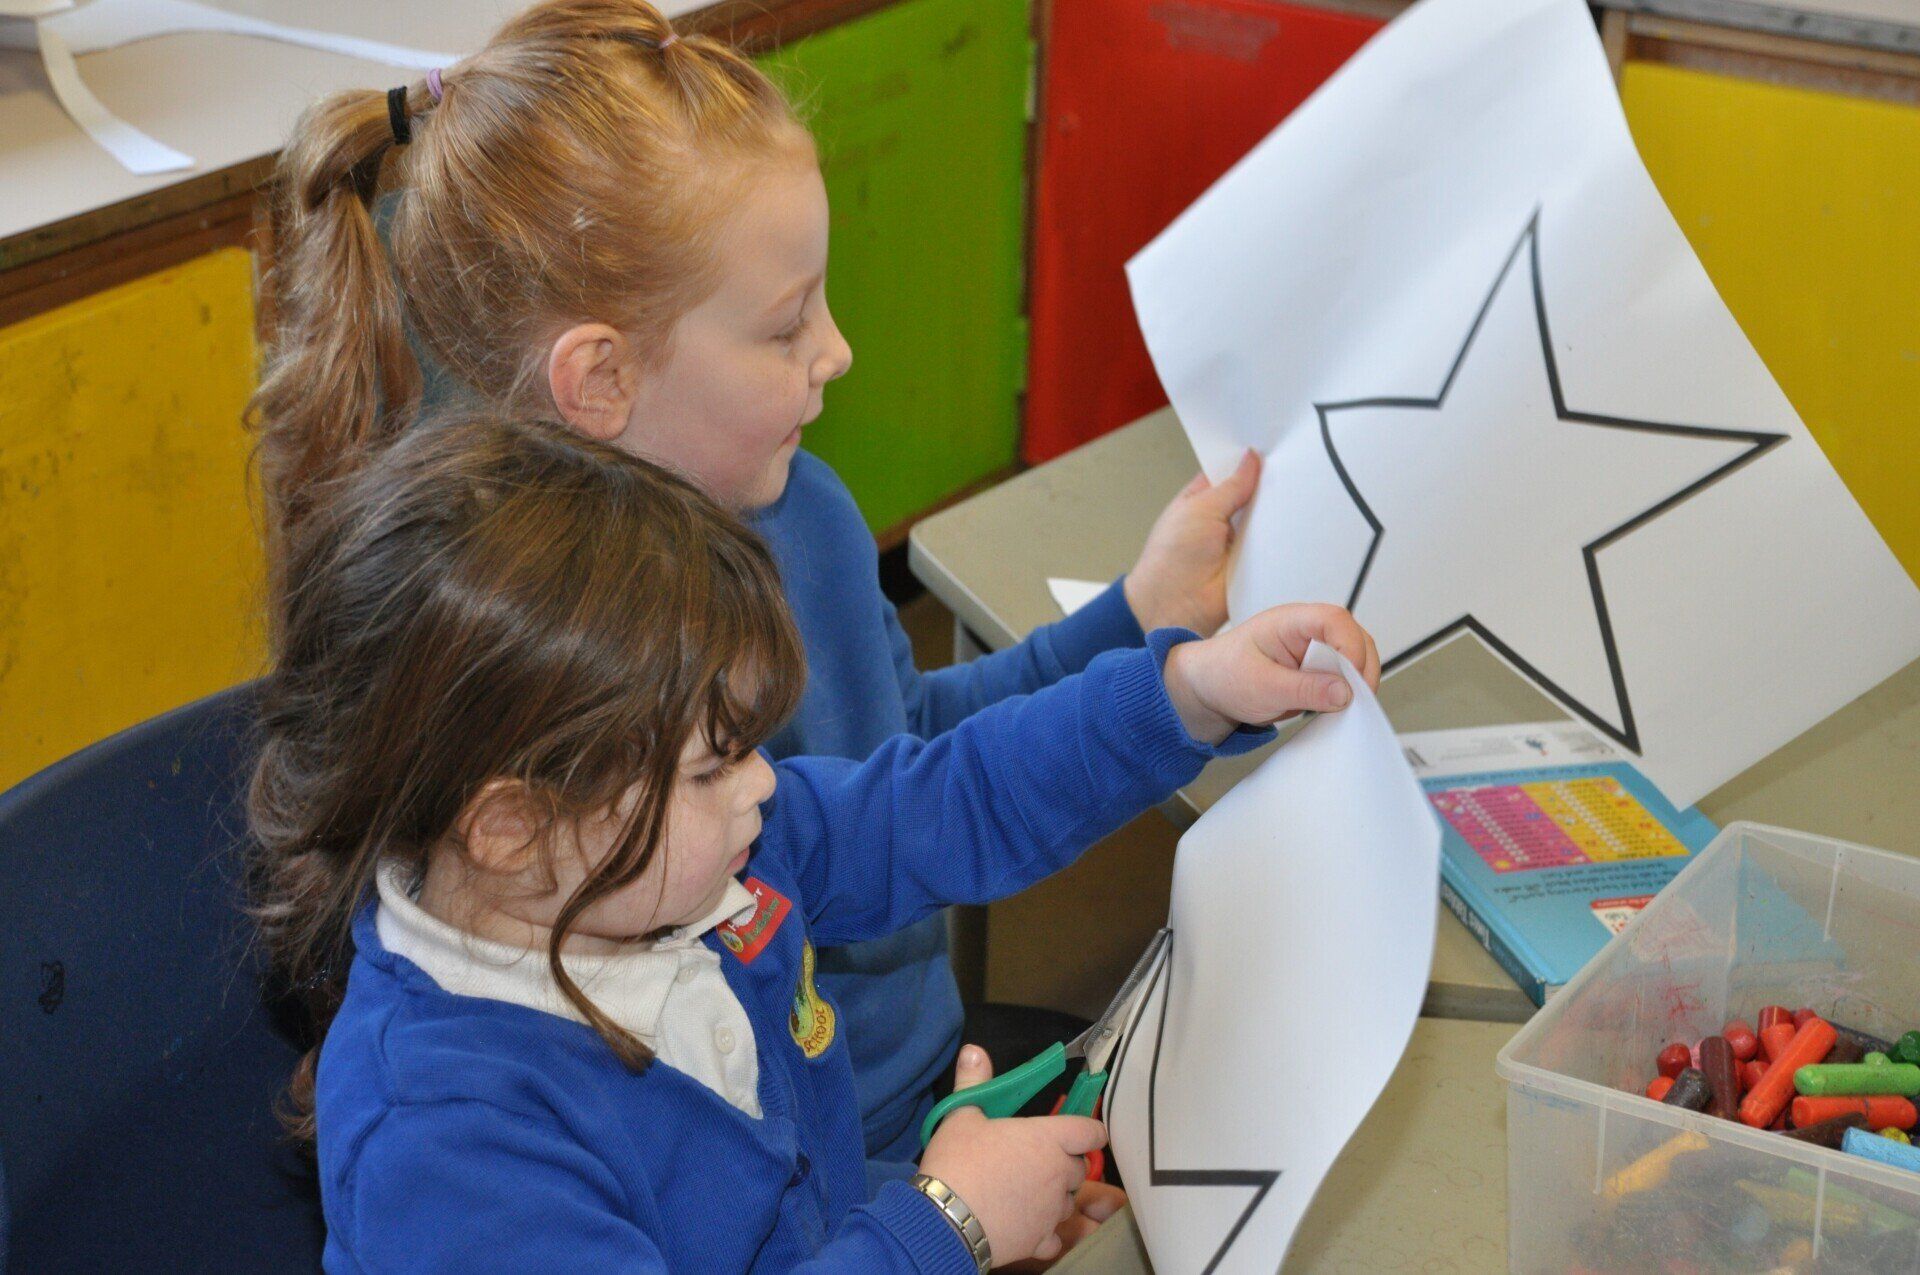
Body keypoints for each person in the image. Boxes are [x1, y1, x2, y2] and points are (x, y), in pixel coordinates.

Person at [246, 0, 1269, 1186]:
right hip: (805, 1164)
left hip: (906, 1116)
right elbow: (697, 1185)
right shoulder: (534, 681)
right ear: (601, 376)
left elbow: (907, 755)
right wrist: (944, 1219)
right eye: (787, 327)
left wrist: (1139, 623)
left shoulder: (801, 510)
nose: (836, 352)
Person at [249, 415, 1375, 1273]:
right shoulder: (445, 1145)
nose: (762, 784)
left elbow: (950, 798)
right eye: (712, 765)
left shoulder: (672, 869)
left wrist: (1184, 695)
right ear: (512, 829)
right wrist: (942, 1224)